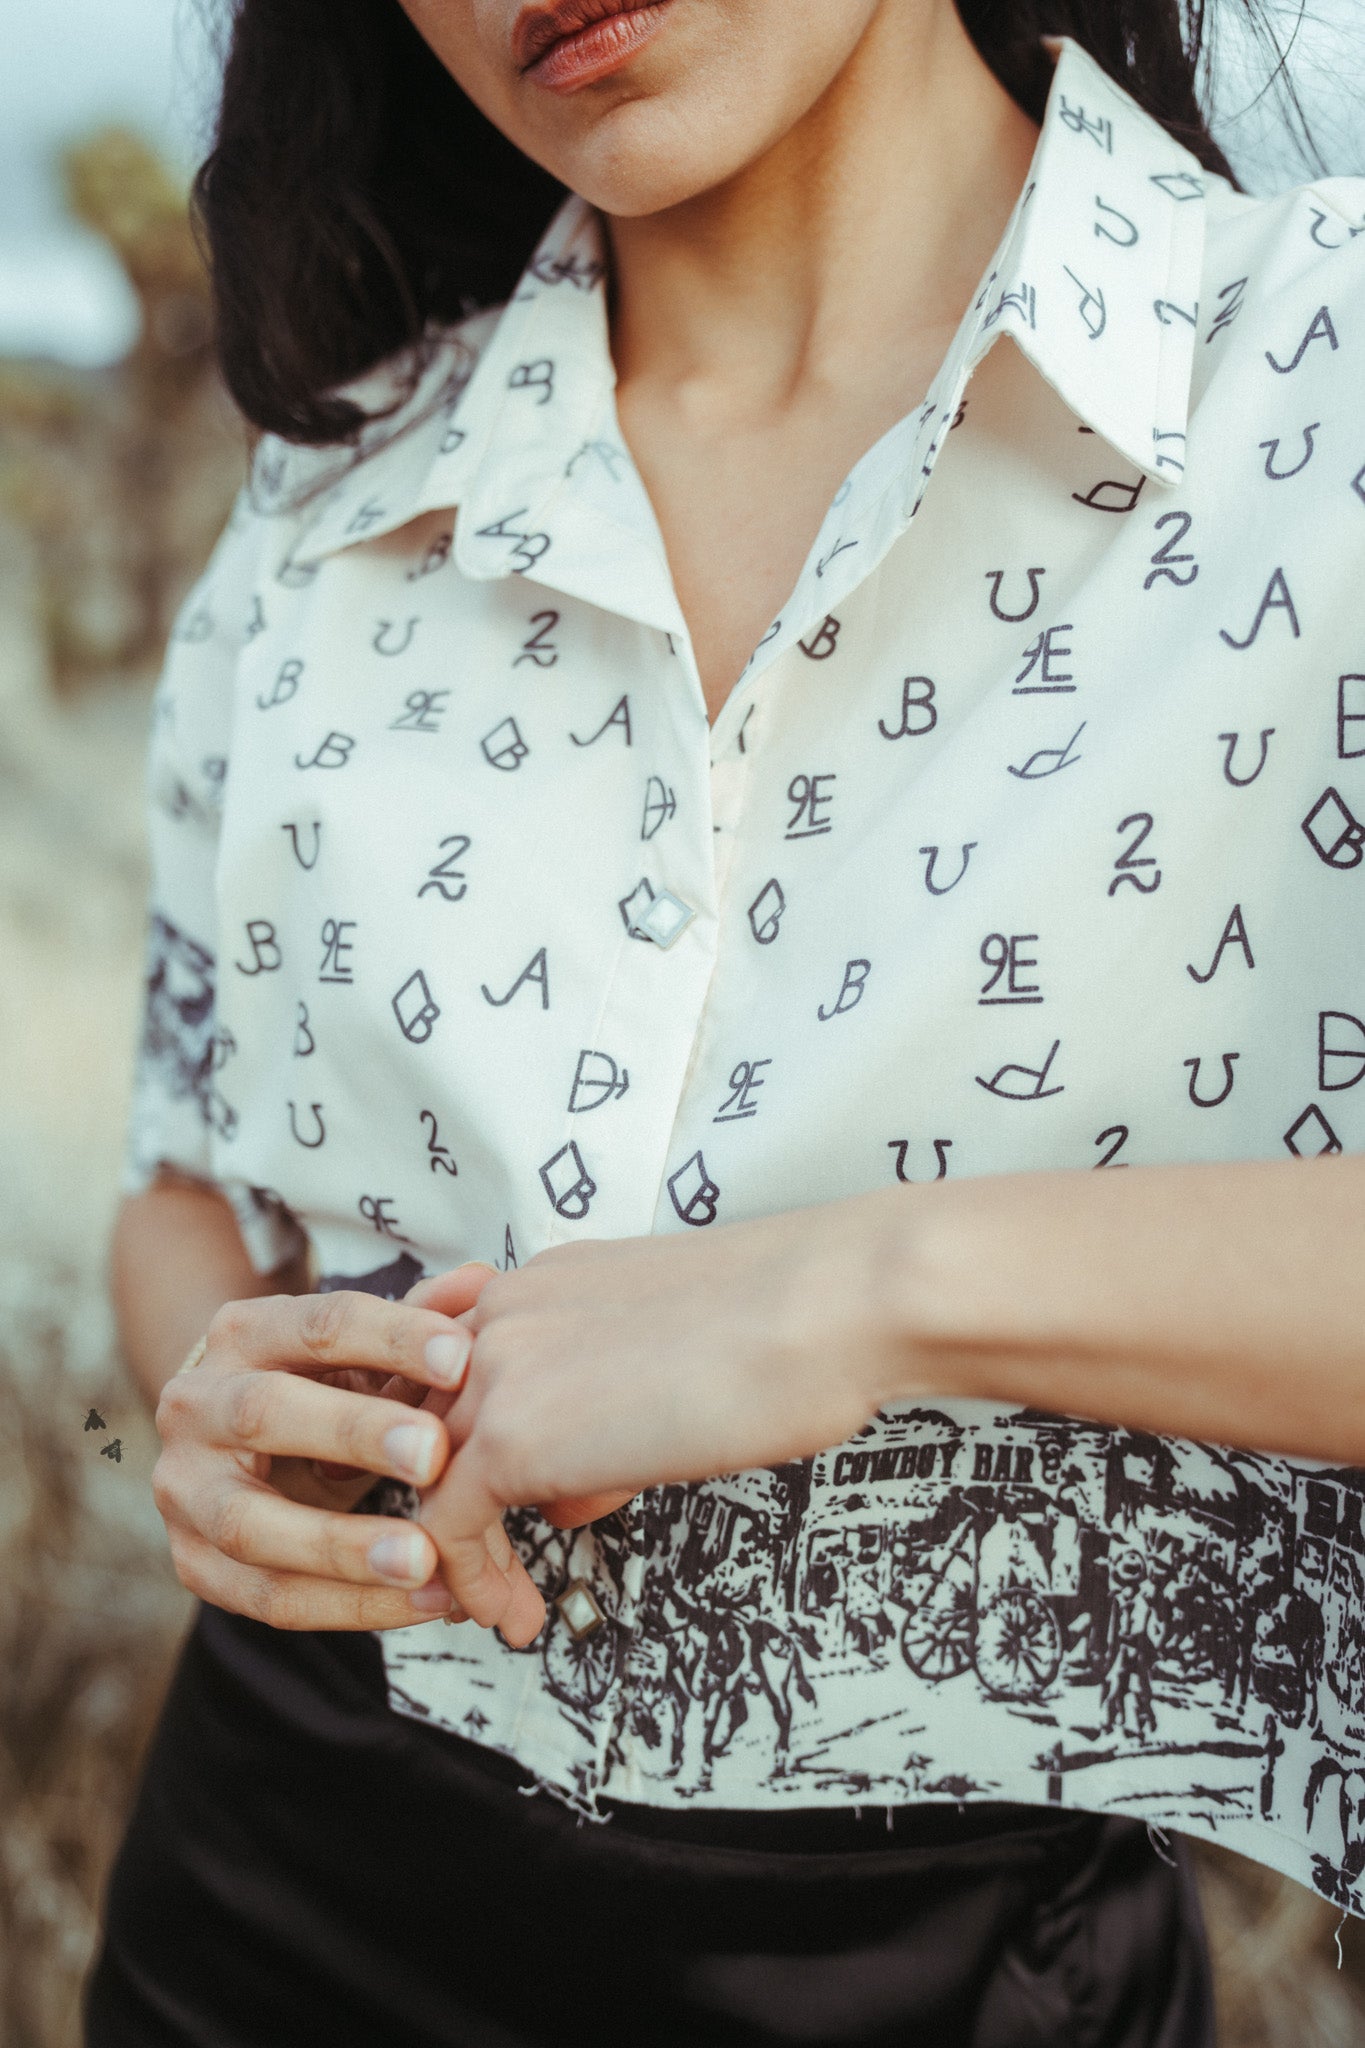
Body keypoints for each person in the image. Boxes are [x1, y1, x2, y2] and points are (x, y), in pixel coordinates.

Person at [82, 0, 1365, 2042]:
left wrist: (852, 1294)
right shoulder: (335, 480)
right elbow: (179, 1180)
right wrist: (231, 1416)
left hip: (954, 1973)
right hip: (257, 1913)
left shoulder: (1322, 392)